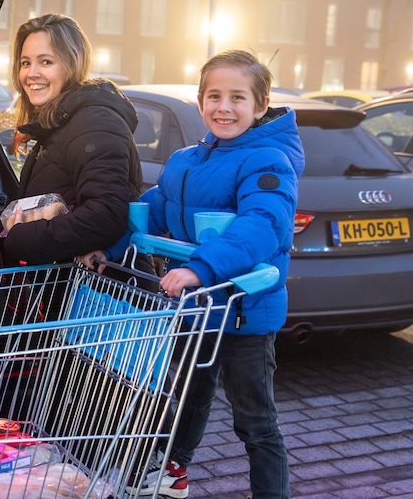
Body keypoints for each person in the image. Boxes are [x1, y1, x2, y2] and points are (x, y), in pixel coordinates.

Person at [130, 50, 303, 499]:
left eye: (237, 97)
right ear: (200, 99)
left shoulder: (269, 160)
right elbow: (155, 209)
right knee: (187, 399)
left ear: (260, 105)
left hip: (244, 312)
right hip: (195, 309)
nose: (223, 107)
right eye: (213, 96)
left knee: (255, 421)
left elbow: (263, 225)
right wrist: (106, 242)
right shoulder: (188, 160)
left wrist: (198, 267)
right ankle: (171, 474)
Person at [2, 14, 143, 268]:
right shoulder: (59, 124)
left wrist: (22, 238)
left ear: (72, 64)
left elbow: (105, 217)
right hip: (70, 288)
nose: (32, 73)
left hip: (101, 294)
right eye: (25, 63)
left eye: (46, 62)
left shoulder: (94, 122)